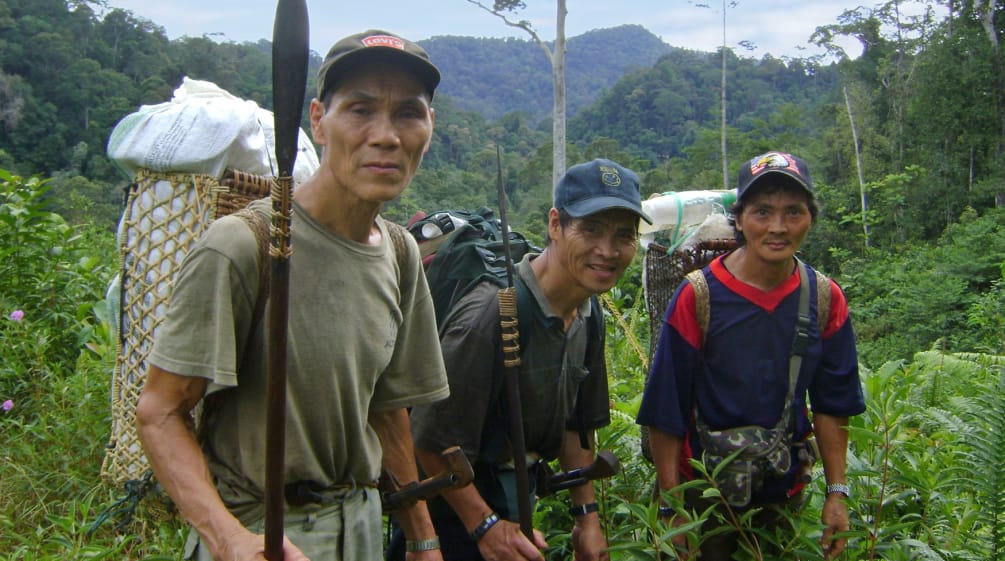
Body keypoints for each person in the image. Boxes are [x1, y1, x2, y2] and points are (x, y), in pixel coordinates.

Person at [135, 30, 450, 561]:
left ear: (429, 127)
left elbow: (387, 407)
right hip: (262, 533)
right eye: (360, 110)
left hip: (362, 526)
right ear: (319, 121)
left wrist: (422, 536)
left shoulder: (398, 254)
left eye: (408, 114)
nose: (385, 136)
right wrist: (229, 539)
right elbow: (160, 413)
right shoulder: (244, 245)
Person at [387, 159, 653, 561]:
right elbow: (429, 438)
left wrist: (587, 519)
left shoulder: (587, 312)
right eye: (591, 229)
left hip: (515, 502)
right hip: (448, 517)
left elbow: (576, 427)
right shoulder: (495, 314)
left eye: (623, 235)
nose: (608, 250)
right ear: (555, 225)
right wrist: (484, 526)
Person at [636, 151, 865, 560]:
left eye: (793, 212)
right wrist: (672, 511)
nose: (778, 227)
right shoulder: (698, 297)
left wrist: (837, 493)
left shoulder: (825, 300)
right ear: (739, 219)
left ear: (810, 218)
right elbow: (666, 410)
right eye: (762, 212)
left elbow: (833, 406)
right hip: (704, 497)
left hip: (783, 493)